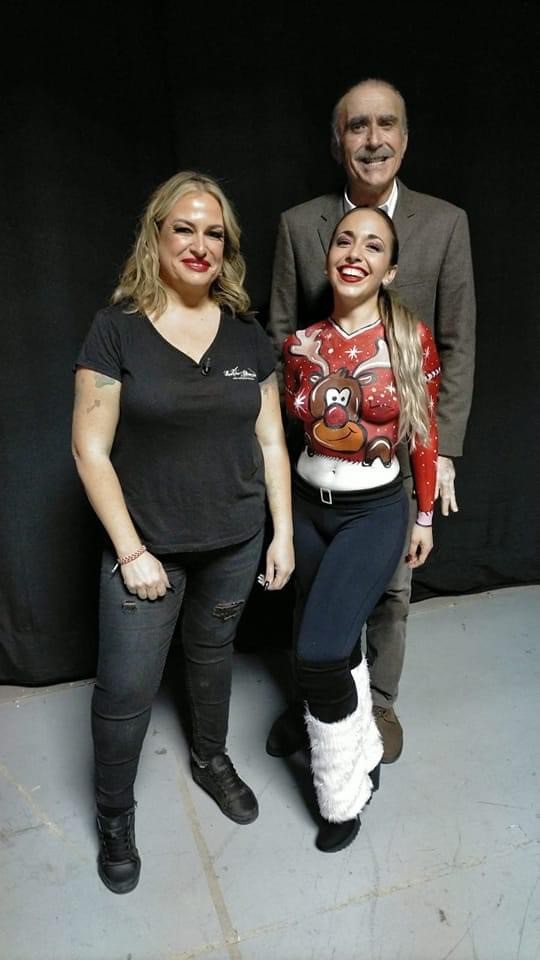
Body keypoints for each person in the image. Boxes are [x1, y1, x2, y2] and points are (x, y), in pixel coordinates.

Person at [71, 171, 294, 894]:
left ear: (226, 247)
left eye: (213, 232)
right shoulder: (118, 330)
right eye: (184, 229)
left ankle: (210, 759)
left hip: (235, 542)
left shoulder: (248, 335)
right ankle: (113, 813)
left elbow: (269, 445)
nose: (199, 244)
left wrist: (281, 534)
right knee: (127, 690)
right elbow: (89, 449)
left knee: (213, 657)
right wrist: (131, 551)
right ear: (157, 237)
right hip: (149, 553)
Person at [267, 78, 475, 763]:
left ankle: (377, 705)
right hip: (315, 457)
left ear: (405, 139)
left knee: (391, 587)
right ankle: (314, 699)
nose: (373, 139)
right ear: (338, 142)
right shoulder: (301, 226)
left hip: (397, 450)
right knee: (312, 583)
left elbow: (457, 342)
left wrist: (441, 453)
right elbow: (279, 336)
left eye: (387, 125)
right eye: (358, 126)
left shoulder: (445, 224)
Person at [282, 204, 440, 851]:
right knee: (337, 645)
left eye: (372, 245)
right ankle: (364, 743)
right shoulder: (299, 344)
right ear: (329, 257)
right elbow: (282, 436)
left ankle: (343, 792)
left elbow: (424, 434)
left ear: (389, 267)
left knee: (315, 655)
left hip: (373, 512)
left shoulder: (408, 338)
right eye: (345, 240)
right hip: (308, 505)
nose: (355, 252)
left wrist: (425, 512)